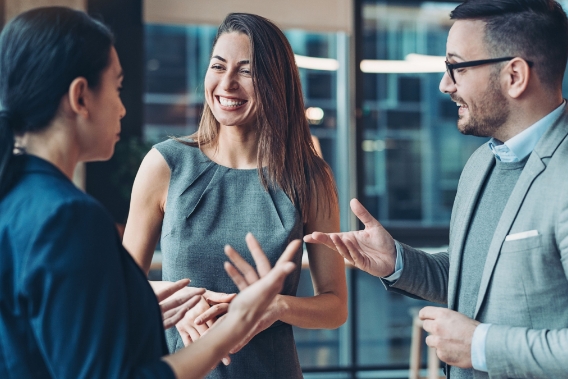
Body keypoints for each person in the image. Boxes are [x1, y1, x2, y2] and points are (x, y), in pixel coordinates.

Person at [0, 7, 300, 379]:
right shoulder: (68, 216)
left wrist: (139, 305)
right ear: (81, 97)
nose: (123, 108)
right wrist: (233, 327)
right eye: (117, 87)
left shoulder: (14, 196)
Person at [306, 0, 568, 378]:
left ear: (514, 76)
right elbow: (472, 280)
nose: (445, 85)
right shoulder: (480, 165)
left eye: (456, 67)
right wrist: (397, 261)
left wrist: (481, 346)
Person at [123, 12, 348, 379]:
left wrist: (275, 307)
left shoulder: (310, 177)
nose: (227, 83)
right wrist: (182, 303)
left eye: (246, 71)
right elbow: (121, 290)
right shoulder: (165, 164)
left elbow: (335, 307)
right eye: (218, 66)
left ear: (275, 82)